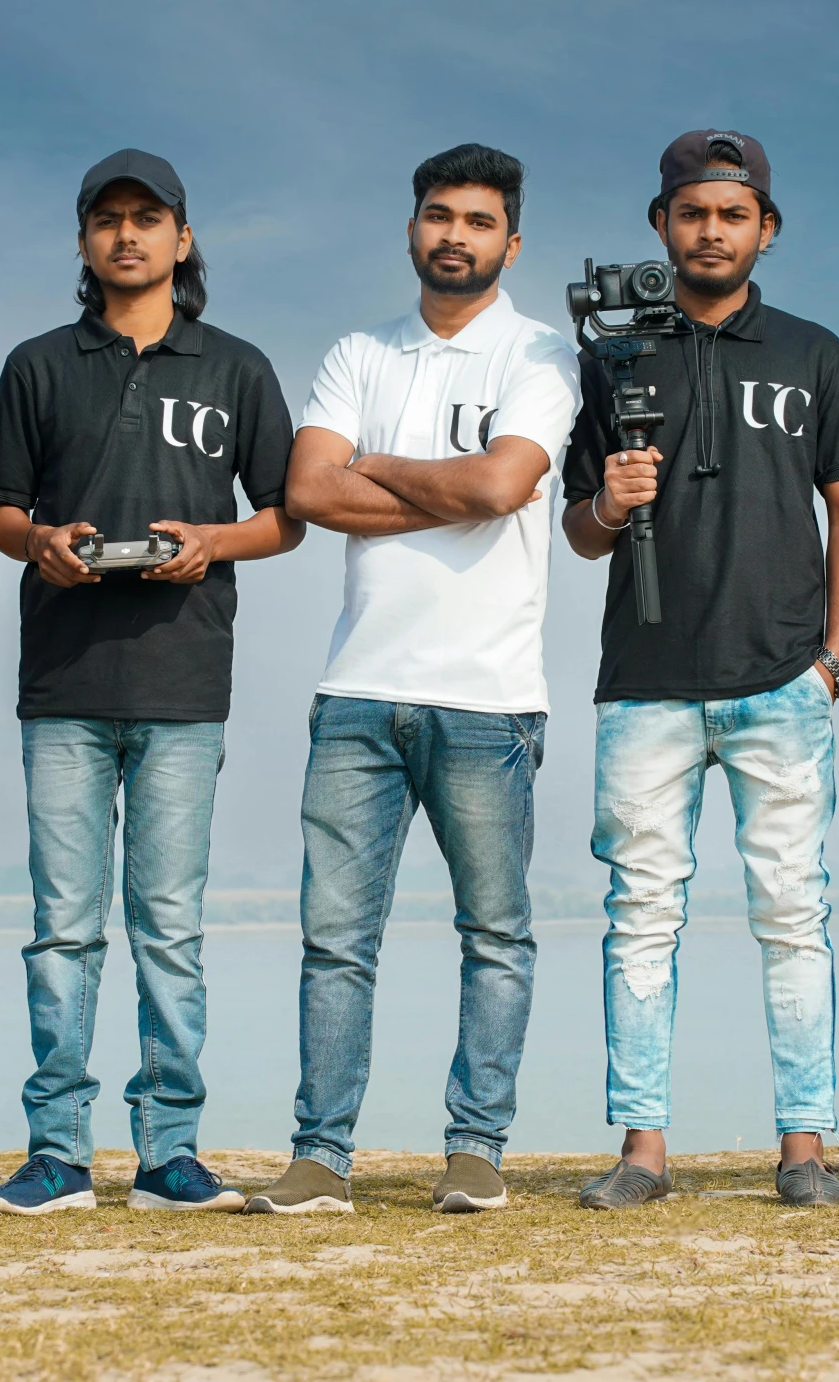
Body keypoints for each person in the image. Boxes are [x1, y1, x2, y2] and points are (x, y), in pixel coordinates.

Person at [246, 143, 580, 1215]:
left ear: (509, 242)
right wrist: (452, 491)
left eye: (478, 221)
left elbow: (503, 482)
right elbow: (304, 490)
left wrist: (377, 465)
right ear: (411, 229)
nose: (455, 235)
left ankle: (475, 1148)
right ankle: (319, 1156)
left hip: (489, 697)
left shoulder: (544, 355)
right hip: (358, 690)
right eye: (439, 215)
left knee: (495, 933)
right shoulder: (358, 352)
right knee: (335, 938)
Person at [0, 151, 301, 1216]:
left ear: (183, 236)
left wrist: (212, 540)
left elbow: (286, 515)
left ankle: (170, 1148)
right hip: (63, 685)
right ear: (83, 241)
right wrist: (44, 544)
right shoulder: (35, 365)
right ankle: (57, 1151)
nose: (127, 235)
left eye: (147, 218)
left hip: (183, 682)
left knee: (168, 923)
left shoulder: (237, 368)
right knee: (62, 925)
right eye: (107, 220)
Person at [560, 131, 839, 1211]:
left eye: (731, 214)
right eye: (691, 212)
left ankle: (803, 1148)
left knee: (793, 911)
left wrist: (834, 655)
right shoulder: (611, 355)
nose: (710, 230)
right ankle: (643, 1151)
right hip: (644, 679)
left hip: (781, 676)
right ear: (661, 224)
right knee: (641, 910)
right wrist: (609, 502)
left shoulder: (814, 353)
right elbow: (578, 531)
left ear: (764, 230)